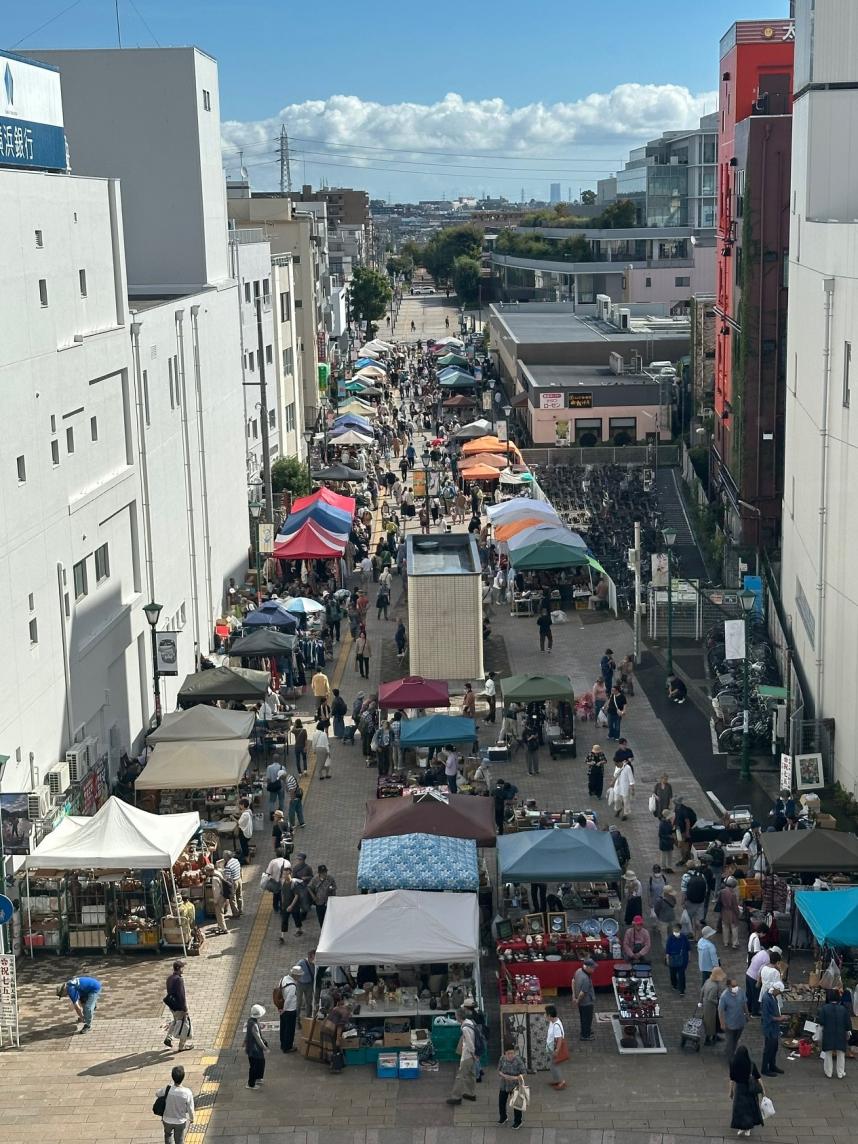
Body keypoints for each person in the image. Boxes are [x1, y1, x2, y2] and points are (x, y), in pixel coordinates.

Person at [155, 1064, 195, 1144]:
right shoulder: (187, 1092)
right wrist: (192, 1118)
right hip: (180, 1121)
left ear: (172, 1077)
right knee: (179, 1140)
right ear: (183, 1078)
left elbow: (157, 1094)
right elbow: (190, 1108)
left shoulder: (168, 1089)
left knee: (168, 1135)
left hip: (167, 1119)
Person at [729, 1045, 764, 1135]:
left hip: (739, 1089)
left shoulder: (733, 1063)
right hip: (749, 1089)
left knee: (739, 1109)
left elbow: (732, 1079)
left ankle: (741, 1127)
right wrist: (763, 1090)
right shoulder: (751, 1064)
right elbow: (758, 1077)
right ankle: (748, 1128)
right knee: (749, 1108)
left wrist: (731, 1092)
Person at [446, 1007, 478, 1105]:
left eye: (456, 1015)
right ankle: (471, 1093)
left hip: (468, 1055)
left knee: (460, 1076)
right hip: (472, 1055)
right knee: (471, 1074)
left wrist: (473, 1054)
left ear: (459, 1017)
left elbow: (469, 1043)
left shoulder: (465, 1028)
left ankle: (456, 1097)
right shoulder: (470, 1022)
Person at [819, 988, 850, 1079]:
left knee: (828, 1053)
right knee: (841, 1054)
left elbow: (821, 1022)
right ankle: (840, 1073)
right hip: (840, 1034)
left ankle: (829, 1072)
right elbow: (848, 1023)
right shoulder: (843, 1009)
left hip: (828, 1033)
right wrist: (848, 1032)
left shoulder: (824, 1009)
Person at [164, 960, 193, 1051]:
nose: (183, 969)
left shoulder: (169, 978)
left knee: (176, 1021)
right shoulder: (179, 980)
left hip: (172, 1005)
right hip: (179, 1006)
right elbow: (181, 995)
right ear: (179, 968)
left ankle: (169, 1037)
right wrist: (185, 1009)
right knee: (184, 1024)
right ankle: (182, 1046)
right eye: (182, 967)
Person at [718, 977, 750, 1063]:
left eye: (736, 985)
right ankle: (731, 1059)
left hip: (740, 1022)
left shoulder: (741, 992)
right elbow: (720, 1011)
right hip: (730, 1023)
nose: (735, 987)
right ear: (728, 986)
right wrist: (722, 1023)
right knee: (730, 1042)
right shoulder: (724, 997)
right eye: (733, 986)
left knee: (735, 1040)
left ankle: (730, 1051)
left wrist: (747, 1014)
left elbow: (744, 1003)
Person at [497, 1041, 527, 1128]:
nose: (510, 1055)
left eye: (512, 1053)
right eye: (508, 1053)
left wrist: (514, 1078)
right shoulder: (502, 1059)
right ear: (505, 1053)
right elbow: (499, 1070)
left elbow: (524, 1073)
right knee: (501, 1102)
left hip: (515, 1085)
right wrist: (503, 1075)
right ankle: (503, 1117)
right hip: (504, 1084)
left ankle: (518, 1121)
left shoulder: (518, 1060)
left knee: (516, 1104)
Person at [760, 979, 786, 1076]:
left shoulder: (772, 996)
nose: (779, 994)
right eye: (779, 992)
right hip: (769, 1028)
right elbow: (767, 1016)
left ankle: (772, 1065)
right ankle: (764, 1068)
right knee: (768, 1049)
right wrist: (780, 1018)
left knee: (774, 1048)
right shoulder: (766, 998)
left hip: (774, 1028)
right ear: (776, 989)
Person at [701, 966, 727, 1045]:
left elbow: (702, 991)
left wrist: (700, 1001)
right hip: (711, 1007)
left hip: (706, 1004)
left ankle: (715, 1036)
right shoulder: (714, 986)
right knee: (711, 1023)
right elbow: (711, 998)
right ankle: (708, 1040)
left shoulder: (708, 981)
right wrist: (718, 1003)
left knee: (714, 1022)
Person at [245, 1004, 269, 1089]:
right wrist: (264, 1048)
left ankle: (258, 1078)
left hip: (252, 1048)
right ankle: (251, 1084)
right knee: (255, 1065)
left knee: (260, 1063)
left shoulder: (250, 1021)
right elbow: (258, 1038)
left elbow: (248, 1035)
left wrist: (244, 1042)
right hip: (254, 1049)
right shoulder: (254, 1025)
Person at [572, 958, 596, 1041]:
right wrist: (577, 1000)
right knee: (587, 1018)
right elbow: (583, 993)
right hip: (586, 1002)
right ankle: (585, 1035)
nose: (594, 970)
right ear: (588, 967)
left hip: (580, 1001)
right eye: (593, 968)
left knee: (583, 1017)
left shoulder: (578, 971)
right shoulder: (585, 978)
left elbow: (573, 981)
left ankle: (586, 1030)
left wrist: (574, 996)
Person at [276, 968, 300, 1053]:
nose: (300, 977)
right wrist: (284, 1009)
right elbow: (289, 1000)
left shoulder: (283, 979)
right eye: (299, 976)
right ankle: (288, 1047)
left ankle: (283, 1044)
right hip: (290, 1010)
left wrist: (281, 1009)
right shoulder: (292, 986)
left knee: (283, 1027)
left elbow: (278, 991)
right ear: (295, 976)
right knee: (289, 1029)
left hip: (282, 1008)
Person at [545, 1004, 567, 1090]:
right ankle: (557, 1080)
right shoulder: (552, 1021)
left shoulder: (556, 1026)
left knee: (554, 1065)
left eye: (546, 1014)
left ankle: (561, 1081)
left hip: (554, 1049)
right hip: (551, 1047)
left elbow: (559, 1039)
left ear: (550, 1016)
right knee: (552, 1065)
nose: (545, 1015)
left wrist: (556, 1051)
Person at [665, 922, 689, 995]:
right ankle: (674, 984)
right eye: (674, 930)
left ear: (680, 930)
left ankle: (682, 990)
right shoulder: (670, 938)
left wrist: (688, 958)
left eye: (677, 930)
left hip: (682, 960)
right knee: (673, 974)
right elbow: (667, 950)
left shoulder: (684, 937)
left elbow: (688, 948)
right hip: (672, 960)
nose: (675, 932)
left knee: (681, 975)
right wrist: (667, 959)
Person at [718, 876, 742, 950]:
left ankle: (725, 942)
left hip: (724, 911)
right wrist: (738, 913)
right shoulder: (733, 894)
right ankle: (734, 943)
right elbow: (735, 906)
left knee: (725, 927)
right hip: (732, 913)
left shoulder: (721, 892)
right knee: (734, 928)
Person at [673, 797, 697, 866]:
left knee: (684, 846)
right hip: (678, 829)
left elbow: (687, 822)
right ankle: (685, 858)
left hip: (683, 831)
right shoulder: (677, 808)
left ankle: (685, 859)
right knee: (681, 845)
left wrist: (687, 832)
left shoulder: (684, 810)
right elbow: (676, 817)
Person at [611, 753, 635, 819]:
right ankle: (618, 809)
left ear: (619, 762)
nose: (615, 765)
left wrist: (632, 789)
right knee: (616, 800)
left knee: (626, 801)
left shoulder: (628, 768)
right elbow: (615, 775)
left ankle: (625, 814)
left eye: (616, 763)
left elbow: (631, 779)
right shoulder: (617, 767)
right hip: (617, 787)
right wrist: (612, 782)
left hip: (625, 787)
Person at [292, 951, 315, 1018]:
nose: (315, 960)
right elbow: (294, 972)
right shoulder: (301, 962)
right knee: (298, 1002)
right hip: (300, 984)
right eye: (314, 958)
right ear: (309, 957)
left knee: (309, 1001)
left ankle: (308, 1017)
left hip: (309, 984)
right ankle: (297, 1018)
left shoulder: (314, 964)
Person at [221, 850, 244, 916]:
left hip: (234, 882)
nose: (223, 858)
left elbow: (228, 878)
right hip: (239, 879)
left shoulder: (228, 866)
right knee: (239, 896)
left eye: (223, 856)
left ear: (226, 857)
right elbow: (240, 870)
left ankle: (235, 914)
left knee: (232, 898)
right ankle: (240, 910)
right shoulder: (236, 860)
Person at [236, 798, 253, 865]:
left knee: (244, 846)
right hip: (248, 831)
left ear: (243, 805)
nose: (239, 806)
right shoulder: (249, 811)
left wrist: (232, 817)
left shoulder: (245, 814)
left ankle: (246, 859)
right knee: (245, 845)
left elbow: (239, 822)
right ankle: (246, 856)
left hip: (244, 833)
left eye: (240, 805)